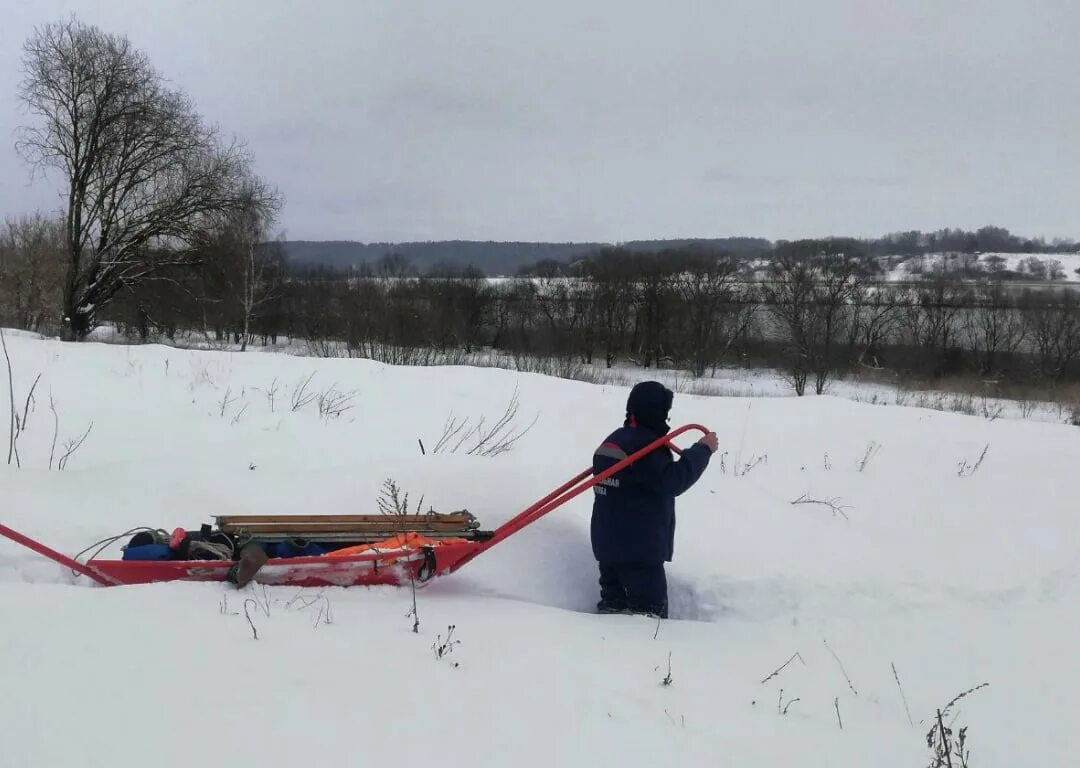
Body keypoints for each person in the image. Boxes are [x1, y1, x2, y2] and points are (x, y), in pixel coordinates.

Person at [590, 381, 718, 618]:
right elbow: (673, 481)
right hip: (639, 552)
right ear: (656, 412)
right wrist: (703, 450)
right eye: (665, 414)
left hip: (607, 547)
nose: (666, 422)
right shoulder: (646, 448)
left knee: (612, 610)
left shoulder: (614, 441)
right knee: (649, 623)